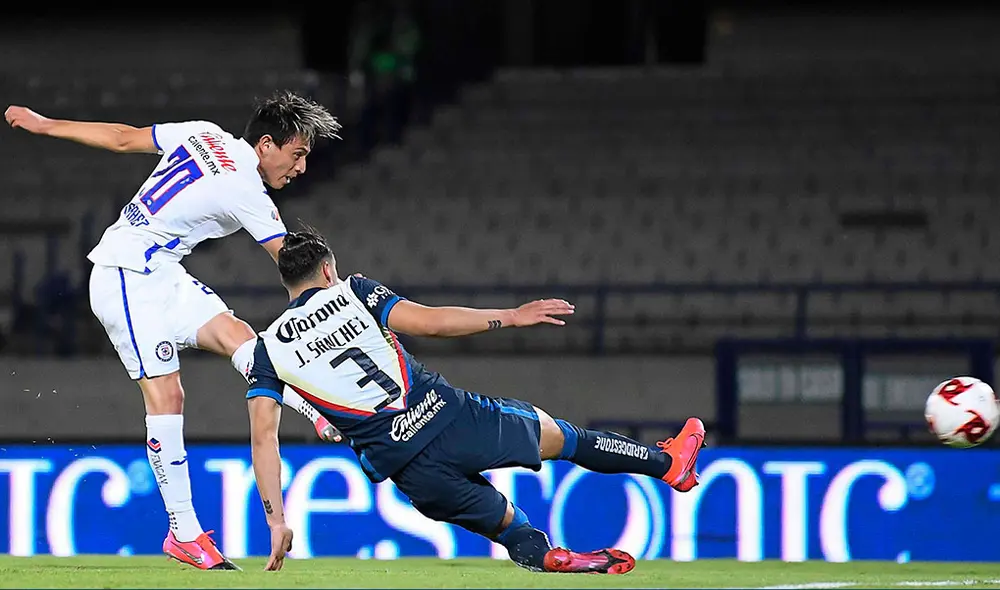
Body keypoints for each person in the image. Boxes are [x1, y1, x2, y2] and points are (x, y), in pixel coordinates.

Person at [4, 92, 345, 570]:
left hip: (162, 270)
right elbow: (294, 267)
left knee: (240, 336)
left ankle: (316, 410)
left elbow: (123, 138)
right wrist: (344, 311)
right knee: (168, 396)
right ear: (266, 144)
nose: (301, 168)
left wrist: (46, 125)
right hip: (124, 273)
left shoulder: (203, 132)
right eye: (298, 154)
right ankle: (183, 532)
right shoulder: (246, 189)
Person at [244, 230, 706, 573]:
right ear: (328, 270)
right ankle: (667, 465)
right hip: (451, 418)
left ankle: (548, 555)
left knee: (508, 526)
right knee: (563, 436)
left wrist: (277, 522)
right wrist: (511, 316)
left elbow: (264, 441)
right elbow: (430, 322)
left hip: (408, 470)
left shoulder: (268, 349)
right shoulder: (354, 293)